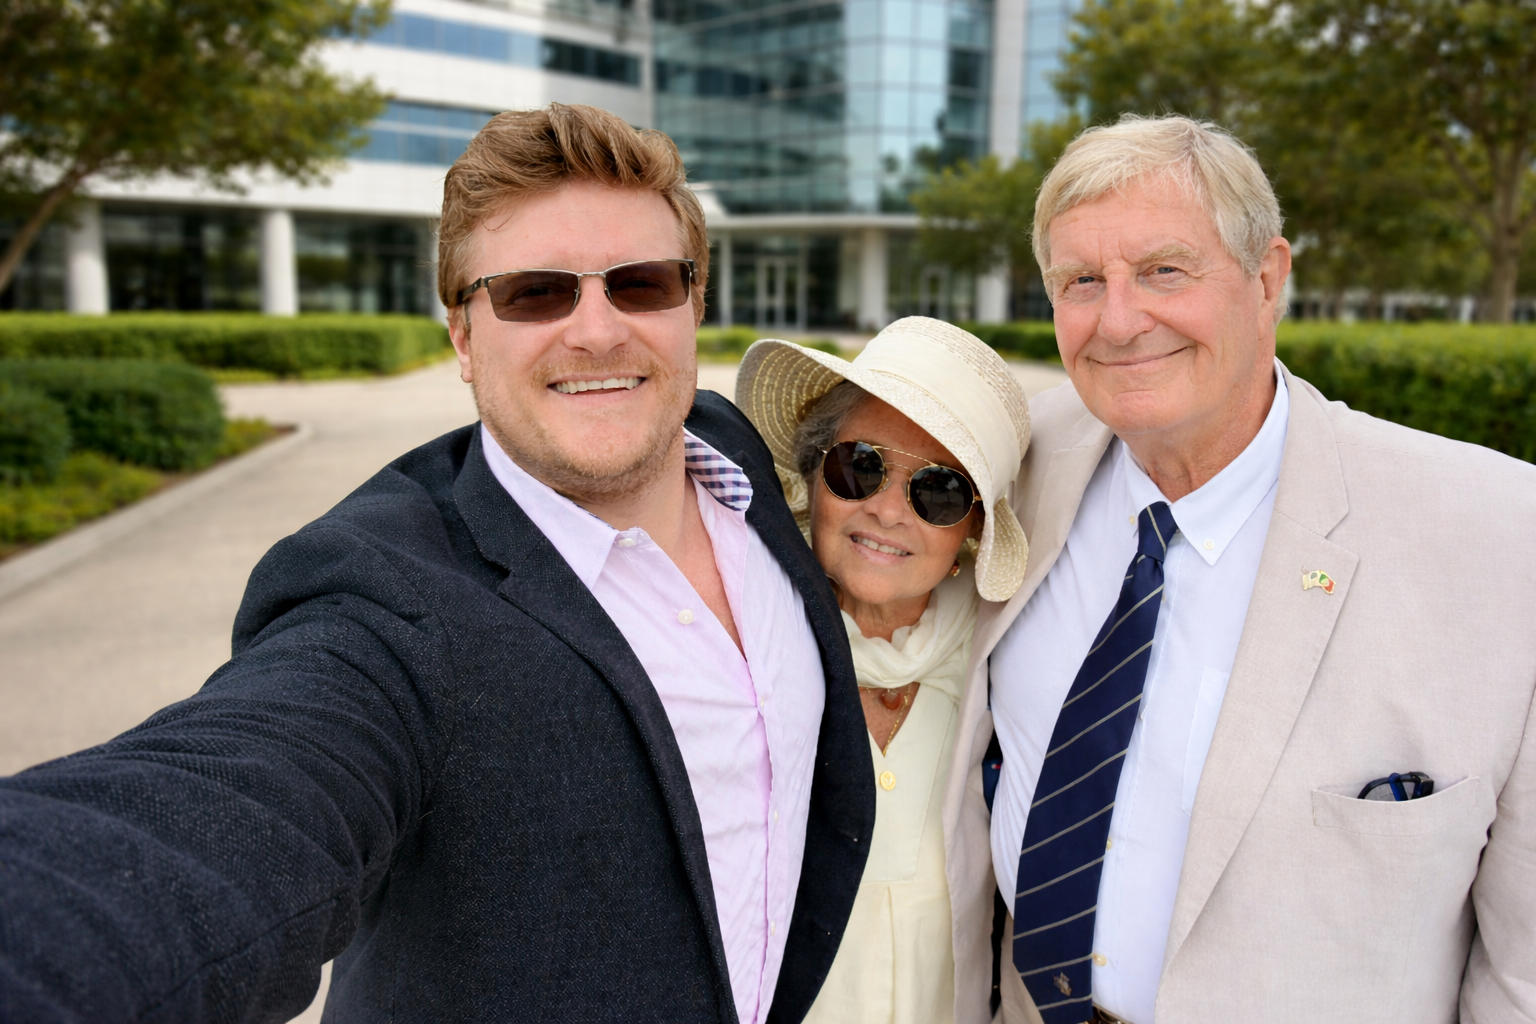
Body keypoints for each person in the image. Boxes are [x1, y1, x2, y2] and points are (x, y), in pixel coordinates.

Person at [0, 104, 874, 1024]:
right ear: (462, 336)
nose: (597, 330)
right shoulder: (384, 604)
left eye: (641, 283)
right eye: (534, 293)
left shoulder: (740, 458)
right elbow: (216, 811)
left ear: (694, 303)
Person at [942, 114, 1536, 1024]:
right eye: (1081, 282)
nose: (1120, 320)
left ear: (1268, 279)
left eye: (1164, 271)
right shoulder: (1013, 466)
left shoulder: (1498, 536)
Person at [735, 316, 1032, 1024]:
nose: (887, 511)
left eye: (937, 492)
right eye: (860, 466)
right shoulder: (737, 639)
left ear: (973, 530)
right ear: (814, 475)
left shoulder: (1008, 662)